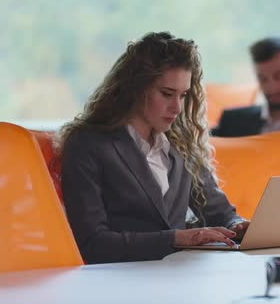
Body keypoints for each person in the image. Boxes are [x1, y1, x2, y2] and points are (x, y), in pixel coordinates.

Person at [58, 32, 249, 264]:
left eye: (184, 95)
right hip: (120, 280)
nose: (177, 107)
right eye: (167, 94)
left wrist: (237, 227)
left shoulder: (181, 145)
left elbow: (221, 213)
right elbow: (93, 244)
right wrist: (177, 238)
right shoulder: (89, 144)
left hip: (179, 276)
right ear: (136, 88)